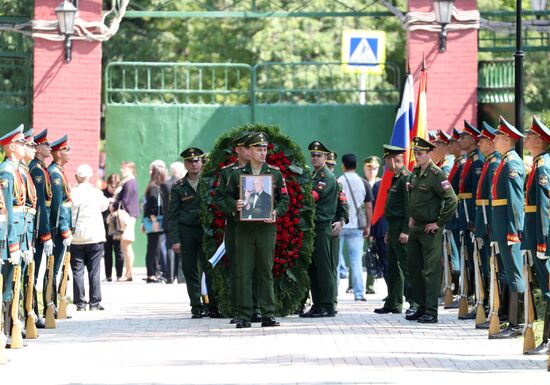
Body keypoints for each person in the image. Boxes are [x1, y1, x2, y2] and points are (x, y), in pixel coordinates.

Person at [221, 132, 289, 328]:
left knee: (265, 271)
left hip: (266, 228)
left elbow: (285, 199)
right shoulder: (236, 175)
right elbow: (221, 199)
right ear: (249, 151)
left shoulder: (275, 173)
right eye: (258, 149)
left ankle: (268, 313)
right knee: (243, 271)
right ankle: (244, 314)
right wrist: (235, 204)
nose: (263, 153)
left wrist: (276, 212)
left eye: (265, 149)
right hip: (244, 229)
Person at [405, 136, 457, 324]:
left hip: (430, 230)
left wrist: (439, 222)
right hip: (416, 226)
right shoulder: (415, 172)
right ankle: (419, 307)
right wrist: (411, 216)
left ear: (429, 154)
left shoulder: (437, 174)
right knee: (414, 269)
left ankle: (431, 311)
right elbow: (413, 196)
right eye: (415, 153)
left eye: (419, 153)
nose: (416, 156)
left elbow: (452, 200)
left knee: (430, 271)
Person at [168, 148, 218, 319]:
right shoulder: (178, 187)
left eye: (197, 160)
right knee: (190, 270)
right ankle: (196, 305)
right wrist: (175, 240)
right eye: (190, 161)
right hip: (187, 232)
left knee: (209, 268)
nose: (194, 164)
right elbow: (172, 215)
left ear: (202, 162)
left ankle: (212, 305)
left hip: (206, 231)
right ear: (185, 164)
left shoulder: (210, 183)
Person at [214, 131, 257, 323]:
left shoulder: (260, 171)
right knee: (238, 270)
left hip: (258, 227)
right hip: (235, 226)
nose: (251, 151)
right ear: (238, 149)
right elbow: (219, 200)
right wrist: (233, 207)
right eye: (247, 147)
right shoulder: (227, 172)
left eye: (253, 147)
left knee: (258, 268)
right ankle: (240, 311)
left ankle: (256, 308)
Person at [488, 116, 525, 339]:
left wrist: (513, 228)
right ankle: (513, 322)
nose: (494, 140)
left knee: (515, 274)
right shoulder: (505, 160)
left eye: (498, 137)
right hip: (502, 225)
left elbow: (514, 200)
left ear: (507, 139)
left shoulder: (511, 163)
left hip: (509, 227)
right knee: (509, 273)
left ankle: (517, 324)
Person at [374, 145, 417, 315]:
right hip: (393, 227)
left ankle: (415, 302)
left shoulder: (405, 178)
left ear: (392, 159)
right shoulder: (396, 177)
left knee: (406, 266)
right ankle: (394, 302)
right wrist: (389, 232)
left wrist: (406, 230)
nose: (386, 164)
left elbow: (409, 207)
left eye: (386, 160)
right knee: (392, 267)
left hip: (401, 226)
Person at [522, 116, 550, 354]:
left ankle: (548, 340)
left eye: (530, 136)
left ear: (540, 141)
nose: (526, 138)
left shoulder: (542, 166)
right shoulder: (540, 163)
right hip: (537, 234)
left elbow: (543, 207)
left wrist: (542, 240)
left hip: (543, 238)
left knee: (548, 288)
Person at [301, 141, 339, 318]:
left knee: (324, 267)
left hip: (323, 226)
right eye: (313, 155)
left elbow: (312, 197)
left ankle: (328, 305)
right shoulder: (314, 175)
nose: (315, 157)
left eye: (318, 155)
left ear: (325, 157)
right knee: (313, 268)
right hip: (313, 226)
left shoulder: (326, 177)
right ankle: (317, 304)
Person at [0, 125, 27, 348]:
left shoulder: (16, 171)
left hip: (19, 236)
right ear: (10, 147)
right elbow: (6, 211)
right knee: (7, 286)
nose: (25, 146)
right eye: (20, 143)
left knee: (14, 284)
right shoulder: (7, 172)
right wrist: (12, 243)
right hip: (11, 239)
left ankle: (10, 331)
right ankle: (5, 333)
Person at [474, 122, 502, 329]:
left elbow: (493, 201)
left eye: (482, 140)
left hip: (492, 225)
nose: (479, 143)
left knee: (496, 269)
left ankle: (499, 312)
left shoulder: (494, 164)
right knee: (488, 267)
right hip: (484, 223)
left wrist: (490, 226)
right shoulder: (488, 163)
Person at [457, 121, 486, 320]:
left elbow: (477, 194)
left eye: (464, 137)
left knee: (479, 262)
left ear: (474, 140)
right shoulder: (470, 160)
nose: (460, 140)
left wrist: (474, 220)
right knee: (471, 261)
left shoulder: (477, 162)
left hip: (472, 217)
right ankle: (477, 301)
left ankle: (482, 302)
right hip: (466, 216)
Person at [70, 164, 109, 311]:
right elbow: (104, 206)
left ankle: (80, 303)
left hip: (76, 237)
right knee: (94, 270)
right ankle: (94, 303)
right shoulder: (95, 192)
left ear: (76, 177)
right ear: (90, 177)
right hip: (94, 236)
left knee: (77, 271)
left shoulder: (72, 192)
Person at [29, 128, 53, 328]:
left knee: (36, 273)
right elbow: (40, 207)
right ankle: (32, 313)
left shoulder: (41, 169)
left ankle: (34, 312)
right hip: (37, 229)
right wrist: (45, 234)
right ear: (37, 148)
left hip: (41, 227)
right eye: (45, 144)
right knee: (33, 274)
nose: (49, 147)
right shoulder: (36, 170)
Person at [337, 153, 370, 302]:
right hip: (357, 226)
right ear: (356, 166)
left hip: (340, 224)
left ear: (343, 165)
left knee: (336, 260)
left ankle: (333, 294)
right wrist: (368, 226)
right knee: (356, 261)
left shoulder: (338, 181)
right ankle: (359, 294)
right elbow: (368, 206)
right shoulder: (363, 182)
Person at [48, 135, 73, 315]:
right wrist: (64, 230)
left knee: (56, 269)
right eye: (66, 150)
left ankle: (53, 304)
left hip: (60, 227)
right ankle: (50, 306)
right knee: (54, 269)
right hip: (57, 228)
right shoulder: (55, 174)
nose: (69, 153)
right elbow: (58, 205)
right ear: (58, 154)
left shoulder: (59, 171)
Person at [363, 156, 388, 294]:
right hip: (362, 223)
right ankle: (354, 284)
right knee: (363, 254)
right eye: (369, 168)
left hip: (376, 225)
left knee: (374, 253)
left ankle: (371, 283)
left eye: (375, 168)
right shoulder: (361, 182)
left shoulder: (380, 183)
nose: (372, 171)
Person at [113, 161, 139, 282]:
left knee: (126, 245)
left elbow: (125, 200)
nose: (122, 170)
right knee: (125, 245)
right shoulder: (129, 181)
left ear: (131, 169)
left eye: (124, 169)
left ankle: (129, 274)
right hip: (129, 215)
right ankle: (128, 273)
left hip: (128, 216)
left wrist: (113, 204)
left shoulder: (129, 182)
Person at [162, 161, 186, 283]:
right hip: (182, 219)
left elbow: (164, 205)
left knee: (170, 248)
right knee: (182, 249)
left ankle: (170, 276)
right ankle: (181, 277)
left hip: (169, 219)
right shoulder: (182, 184)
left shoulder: (165, 184)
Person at [143, 162, 167, 283]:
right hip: (154, 222)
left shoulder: (152, 186)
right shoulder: (154, 188)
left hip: (151, 221)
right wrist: (154, 221)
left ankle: (153, 273)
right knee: (153, 249)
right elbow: (151, 206)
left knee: (153, 248)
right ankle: (151, 274)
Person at [102, 173, 123, 282]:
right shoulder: (103, 193)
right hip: (106, 226)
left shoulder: (120, 194)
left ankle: (119, 275)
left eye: (116, 186)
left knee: (119, 251)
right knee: (107, 251)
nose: (113, 189)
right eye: (112, 186)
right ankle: (108, 276)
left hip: (118, 226)